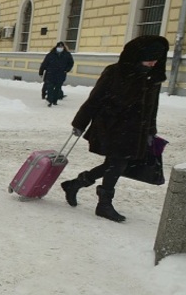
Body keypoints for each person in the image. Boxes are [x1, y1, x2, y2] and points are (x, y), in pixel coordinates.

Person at [60, 35, 169, 222]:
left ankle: (76, 184)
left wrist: (151, 130)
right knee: (117, 164)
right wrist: (80, 123)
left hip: (137, 130)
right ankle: (103, 204)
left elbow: (153, 107)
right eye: (149, 59)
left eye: (155, 60)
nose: (152, 64)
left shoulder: (153, 78)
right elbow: (95, 99)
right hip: (112, 127)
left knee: (115, 164)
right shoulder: (115, 72)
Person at [39, 42, 74, 106]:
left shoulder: (67, 55)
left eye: (61, 47)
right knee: (50, 87)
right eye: (59, 47)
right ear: (56, 47)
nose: (60, 48)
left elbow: (71, 63)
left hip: (61, 74)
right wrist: (41, 71)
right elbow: (44, 63)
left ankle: (54, 100)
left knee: (57, 88)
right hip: (50, 73)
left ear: (63, 48)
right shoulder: (50, 55)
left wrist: (66, 70)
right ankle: (49, 100)